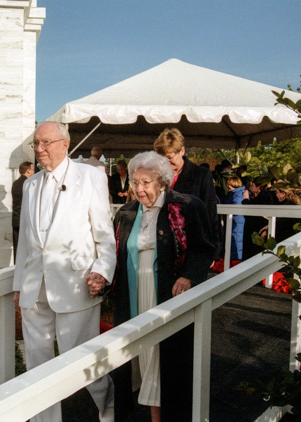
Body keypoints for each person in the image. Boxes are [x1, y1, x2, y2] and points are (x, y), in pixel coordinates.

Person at [13, 122, 116, 422]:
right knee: (37, 364)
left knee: (81, 361)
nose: (39, 149)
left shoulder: (91, 177)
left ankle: (109, 408)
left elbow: (104, 235)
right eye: (35, 143)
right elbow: (25, 242)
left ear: (64, 144)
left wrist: (102, 271)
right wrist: (20, 283)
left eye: (45, 142)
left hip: (76, 285)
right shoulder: (30, 184)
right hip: (34, 289)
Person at [111, 151, 215, 422]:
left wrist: (189, 275)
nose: (139, 188)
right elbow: (115, 254)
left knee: (162, 355)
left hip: (166, 292)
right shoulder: (126, 212)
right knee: (142, 354)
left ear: (162, 182)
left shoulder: (186, 206)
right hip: (134, 292)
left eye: (145, 183)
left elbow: (204, 248)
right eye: (135, 182)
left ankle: (162, 416)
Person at [153, 128, 219, 259]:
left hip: (191, 247)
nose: (166, 162)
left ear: (182, 151)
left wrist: (213, 251)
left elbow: (210, 215)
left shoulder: (201, 175)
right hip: (161, 248)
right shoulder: (155, 176)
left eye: (170, 157)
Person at [242, 176, 275, 260]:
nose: (250, 188)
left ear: (259, 187)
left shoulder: (263, 197)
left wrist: (245, 199)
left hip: (257, 229)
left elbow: (249, 212)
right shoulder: (266, 196)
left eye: (252, 186)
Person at [11, 161, 34, 262]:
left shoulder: (15, 183)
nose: (33, 171)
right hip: (24, 219)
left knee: (17, 249)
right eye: (32, 169)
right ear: (28, 171)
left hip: (16, 219)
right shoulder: (28, 183)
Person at [222, 177, 246, 261]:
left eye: (229, 183)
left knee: (235, 242)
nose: (227, 185)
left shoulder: (237, 194)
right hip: (233, 222)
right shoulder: (233, 194)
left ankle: (235, 261)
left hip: (235, 223)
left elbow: (237, 208)